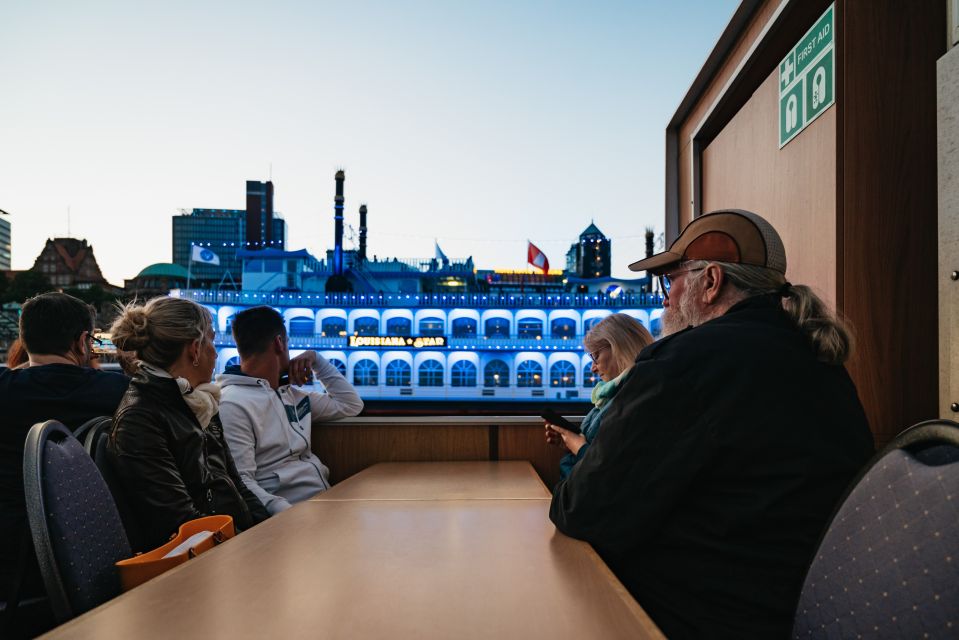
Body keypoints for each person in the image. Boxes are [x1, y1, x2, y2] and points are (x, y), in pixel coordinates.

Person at [549, 209, 874, 638]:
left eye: (671, 281)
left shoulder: (685, 362)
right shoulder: (815, 353)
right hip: (810, 607)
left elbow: (582, 508)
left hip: (707, 614)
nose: (666, 298)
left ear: (711, 281)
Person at [0, 293, 128, 631]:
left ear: (24, 339)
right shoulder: (118, 390)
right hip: (97, 551)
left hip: (10, 555)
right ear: (83, 341)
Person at [107, 297, 269, 552]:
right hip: (198, 565)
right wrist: (253, 549)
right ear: (194, 349)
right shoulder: (139, 420)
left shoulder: (199, 401)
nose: (215, 352)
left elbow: (237, 486)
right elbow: (181, 522)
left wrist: (272, 532)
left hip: (229, 545)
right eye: (211, 341)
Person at [217, 306, 363, 514]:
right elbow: (242, 480)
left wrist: (316, 359)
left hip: (324, 502)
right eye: (287, 342)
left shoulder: (291, 396)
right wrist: (287, 516)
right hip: (289, 516)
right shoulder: (233, 404)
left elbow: (350, 404)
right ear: (279, 343)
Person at [544, 313, 652, 479]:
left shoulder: (630, 402)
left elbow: (607, 473)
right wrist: (567, 443)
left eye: (596, 356)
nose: (593, 368)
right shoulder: (615, 396)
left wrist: (577, 446)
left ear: (619, 348)